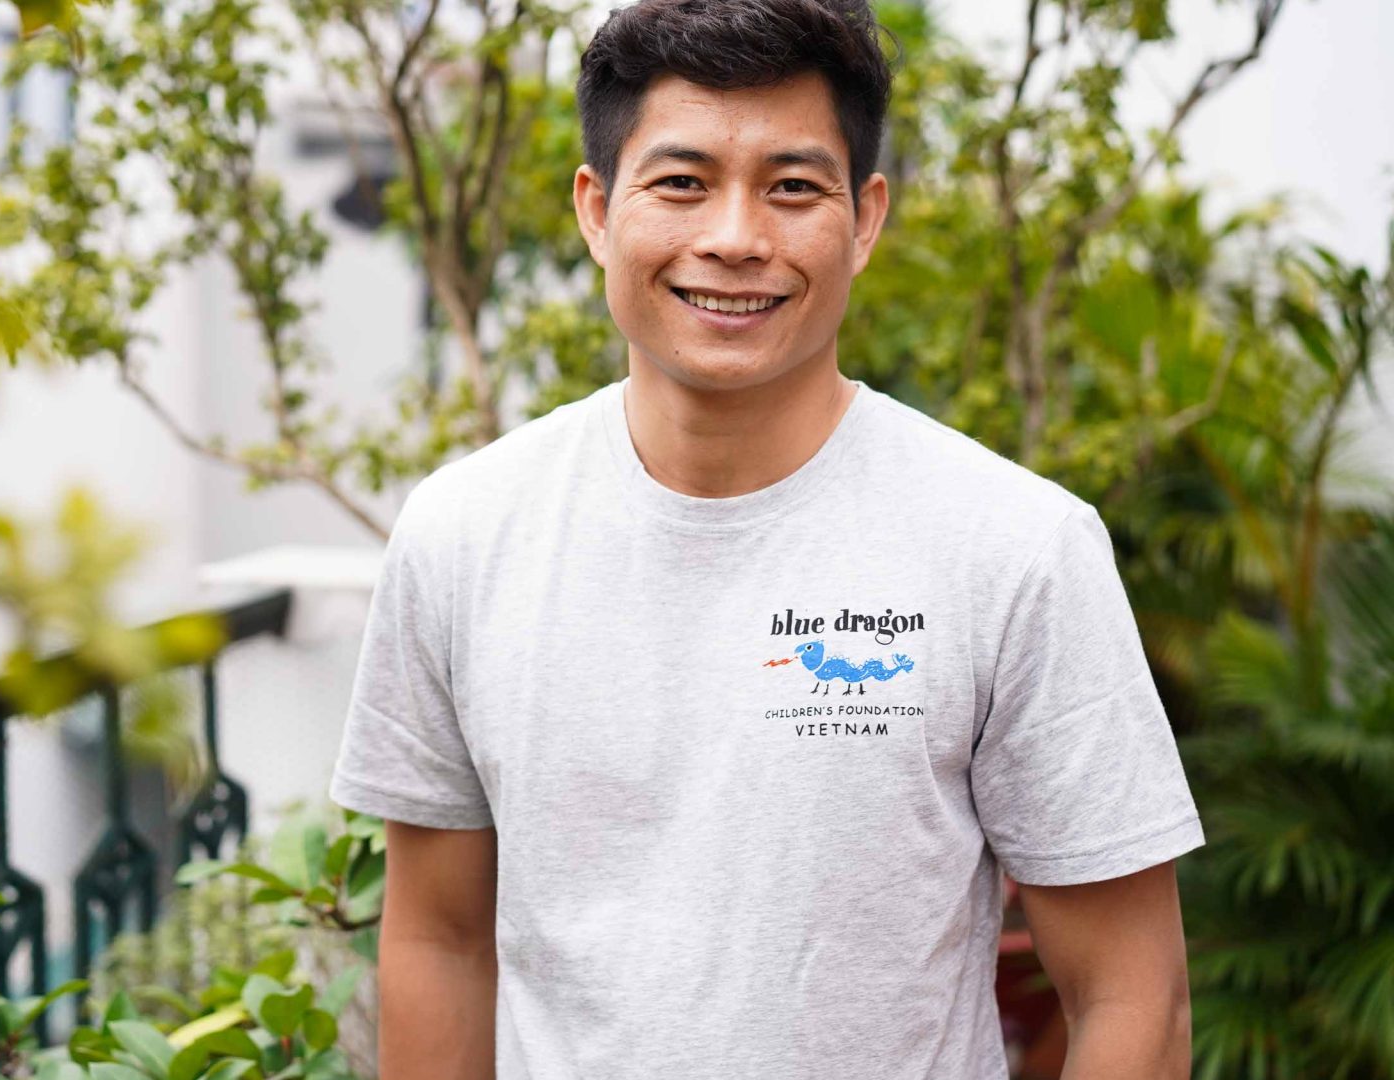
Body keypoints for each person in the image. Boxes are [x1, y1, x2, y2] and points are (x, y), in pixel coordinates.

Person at [327, 0, 1204, 1075]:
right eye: (682, 182)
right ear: (598, 210)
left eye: (793, 188)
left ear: (866, 217)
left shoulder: (1015, 547)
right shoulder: (463, 535)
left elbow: (1133, 997)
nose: (736, 239)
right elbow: (440, 940)